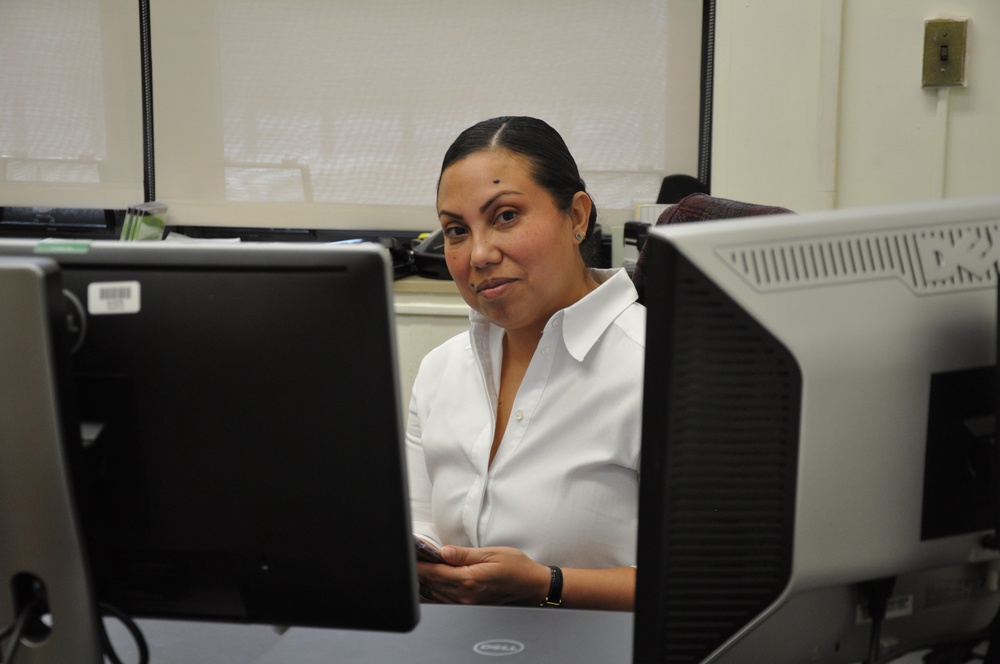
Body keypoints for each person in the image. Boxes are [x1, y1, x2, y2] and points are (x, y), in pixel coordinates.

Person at [406, 116, 644, 611]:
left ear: (576, 217)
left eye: (506, 216)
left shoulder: (657, 368)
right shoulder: (440, 370)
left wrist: (548, 584)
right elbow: (418, 523)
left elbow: (720, 586)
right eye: (455, 231)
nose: (479, 254)